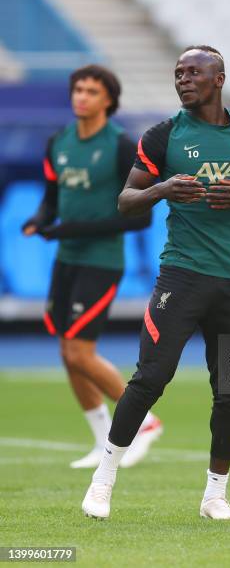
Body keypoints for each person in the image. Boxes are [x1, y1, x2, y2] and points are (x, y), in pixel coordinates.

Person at [81, 45, 230, 520]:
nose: (183, 80)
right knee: (151, 377)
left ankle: (215, 496)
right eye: (178, 73)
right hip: (182, 275)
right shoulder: (162, 136)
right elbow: (125, 200)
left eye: (193, 73)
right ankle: (104, 480)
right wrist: (160, 189)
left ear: (219, 79)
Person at [22, 65, 163, 470]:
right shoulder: (59, 142)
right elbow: (52, 197)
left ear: (108, 100)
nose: (81, 96)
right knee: (68, 353)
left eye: (91, 91)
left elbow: (140, 217)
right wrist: (39, 219)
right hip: (67, 258)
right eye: (77, 89)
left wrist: (75, 228)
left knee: (81, 352)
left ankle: (146, 421)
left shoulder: (120, 146)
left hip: (101, 261)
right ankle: (103, 439)